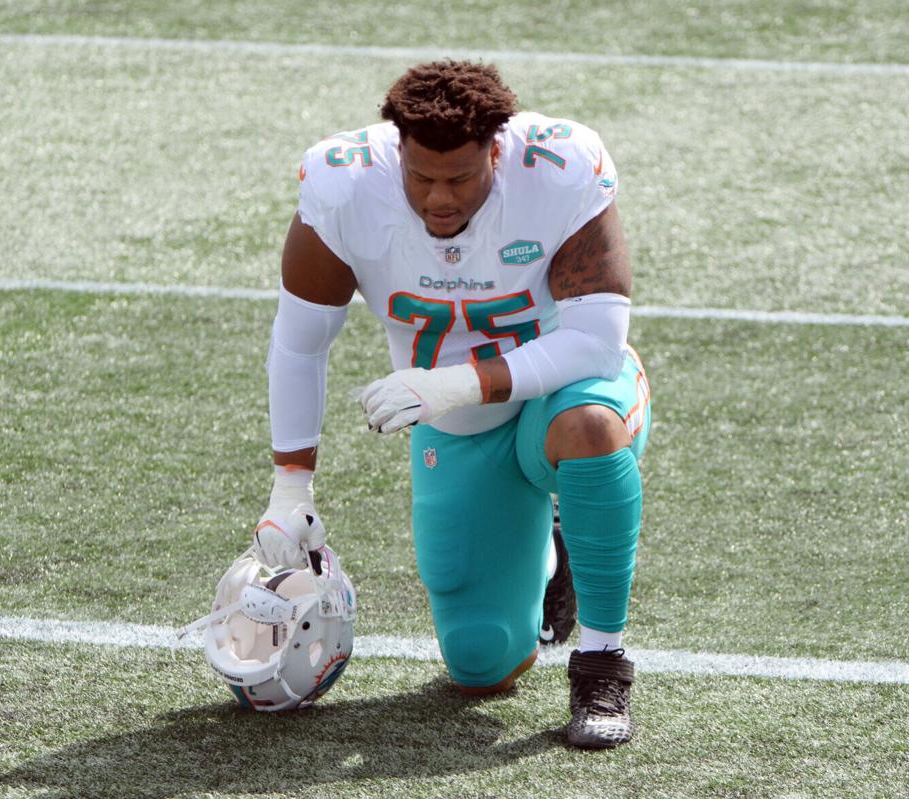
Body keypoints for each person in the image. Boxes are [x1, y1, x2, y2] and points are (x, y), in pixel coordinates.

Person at [252, 61, 651, 749]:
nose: (439, 197)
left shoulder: (559, 169)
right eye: (421, 177)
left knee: (588, 428)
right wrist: (291, 483)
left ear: (497, 152)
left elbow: (594, 342)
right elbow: (300, 342)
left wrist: (455, 381)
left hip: (560, 391)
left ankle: (602, 661)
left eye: (460, 178)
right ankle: (552, 545)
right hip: (462, 430)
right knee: (480, 661)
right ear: (396, 150)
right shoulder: (346, 185)